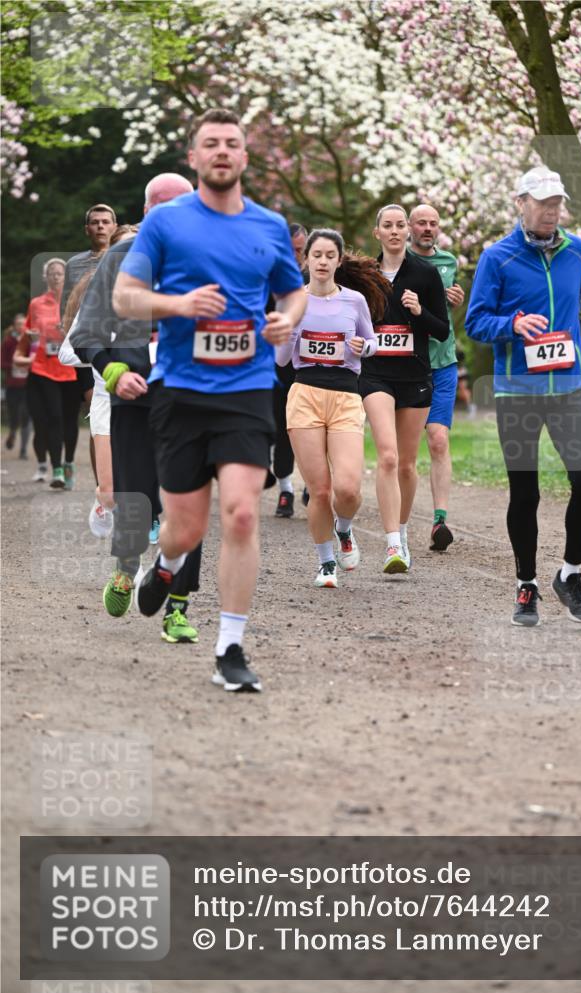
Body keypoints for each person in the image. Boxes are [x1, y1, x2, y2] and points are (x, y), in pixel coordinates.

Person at [112, 109, 306, 691]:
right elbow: (125, 297)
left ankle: (230, 646)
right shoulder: (166, 224)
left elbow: (292, 291)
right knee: (185, 528)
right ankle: (166, 565)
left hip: (247, 389)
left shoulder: (269, 226)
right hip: (182, 392)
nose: (221, 152)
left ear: (245, 157)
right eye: (209, 144)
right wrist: (178, 306)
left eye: (232, 143)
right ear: (194, 158)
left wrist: (285, 321)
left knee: (243, 513)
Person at [466, 165, 581, 626]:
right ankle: (526, 585)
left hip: (569, 387)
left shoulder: (576, 249)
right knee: (525, 492)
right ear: (521, 204)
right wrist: (511, 325)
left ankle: (570, 574)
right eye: (542, 203)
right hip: (518, 393)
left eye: (557, 204)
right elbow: (475, 322)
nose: (552, 212)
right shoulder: (498, 258)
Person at [71, 175, 203, 644]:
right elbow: (85, 334)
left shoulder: (210, 257)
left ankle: (179, 608)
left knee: (189, 505)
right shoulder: (122, 259)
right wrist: (113, 373)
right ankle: (127, 566)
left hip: (191, 397)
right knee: (136, 501)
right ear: (147, 214)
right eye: (163, 210)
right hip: (134, 395)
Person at [276, 229, 387, 587]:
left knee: (349, 489)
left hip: (345, 396)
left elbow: (371, 343)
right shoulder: (292, 301)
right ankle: (326, 563)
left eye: (329, 255)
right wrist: (292, 331)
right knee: (319, 491)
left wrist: (363, 347)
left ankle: (344, 528)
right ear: (305, 259)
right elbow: (280, 360)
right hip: (305, 393)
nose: (322, 262)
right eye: (317, 255)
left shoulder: (354, 301)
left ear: (339, 260)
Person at [360, 204, 450, 573]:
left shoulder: (426, 274)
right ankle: (392, 546)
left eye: (400, 225)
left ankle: (403, 529)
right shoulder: (362, 274)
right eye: (388, 225)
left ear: (407, 233)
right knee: (388, 456)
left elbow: (442, 330)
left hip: (414, 375)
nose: (395, 231)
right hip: (376, 374)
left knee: (408, 465)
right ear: (377, 232)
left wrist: (418, 313)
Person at [408, 204, 465, 552]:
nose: (427, 228)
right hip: (408, 365)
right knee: (404, 452)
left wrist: (452, 300)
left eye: (433, 223)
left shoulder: (449, 262)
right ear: (410, 227)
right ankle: (397, 525)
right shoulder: (397, 263)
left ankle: (439, 520)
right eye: (421, 223)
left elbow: (446, 309)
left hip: (443, 362)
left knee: (438, 440)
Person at [61, 203, 117, 491]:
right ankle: (102, 484)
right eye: (95, 222)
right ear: (87, 229)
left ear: (114, 226)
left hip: (122, 343)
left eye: (105, 221)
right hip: (89, 348)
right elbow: (67, 311)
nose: (100, 226)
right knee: (99, 414)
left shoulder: (129, 256)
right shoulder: (76, 265)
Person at [15, 258, 81, 488]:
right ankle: (57, 470)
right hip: (44, 367)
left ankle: (69, 462)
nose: (55, 277)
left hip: (71, 369)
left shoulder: (75, 301)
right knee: (53, 418)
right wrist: (30, 338)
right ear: (46, 277)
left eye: (59, 273)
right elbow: (27, 333)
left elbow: (87, 329)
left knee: (69, 420)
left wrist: (68, 330)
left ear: (66, 276)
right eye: (51, 273)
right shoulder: (36, 304)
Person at [272, 222, 308, 518]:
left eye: (302, 250)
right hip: (275, 365)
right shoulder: (267, 277)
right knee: (281, 429)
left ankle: (313, 482)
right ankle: (286, 489)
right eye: (293, 249)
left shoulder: (316, 275)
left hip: (310, 364)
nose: (298, 256)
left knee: (313, 427)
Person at [1, 313, 31, 459]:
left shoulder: (30, 341)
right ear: (14, 326)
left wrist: (29, 365)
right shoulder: (8, 342)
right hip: (12, 386)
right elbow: (2, 363)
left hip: (28, 386)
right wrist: (12, 365)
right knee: (14, 417)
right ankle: (13, 431)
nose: (21, 327)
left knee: (26, 415)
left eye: (24, 324)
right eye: (19, 324)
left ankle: (23, 449)